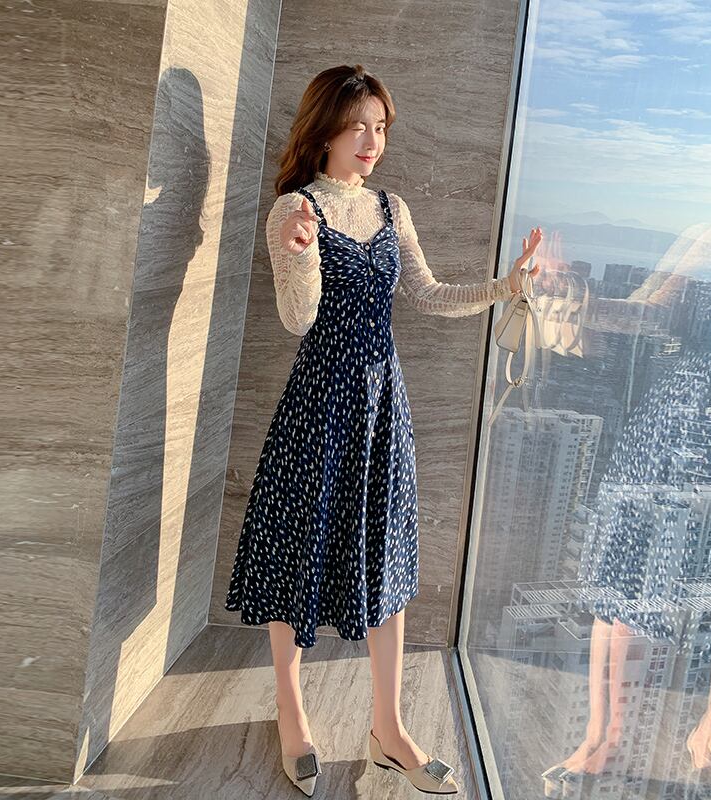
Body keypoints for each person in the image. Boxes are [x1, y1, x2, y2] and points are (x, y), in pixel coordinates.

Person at [224, 63, 543, 796]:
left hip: (381, 407)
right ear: (325, 130)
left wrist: (507, 287)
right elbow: (297, 319)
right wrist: (302, 255)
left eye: (381, 127)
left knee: (386, 557)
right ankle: (291, 712)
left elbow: (426, 294)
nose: (372, 140)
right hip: (319, 407)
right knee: (297, 551)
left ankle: (388, 730)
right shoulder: (295, 208)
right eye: (358, 126)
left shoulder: (391, 208)